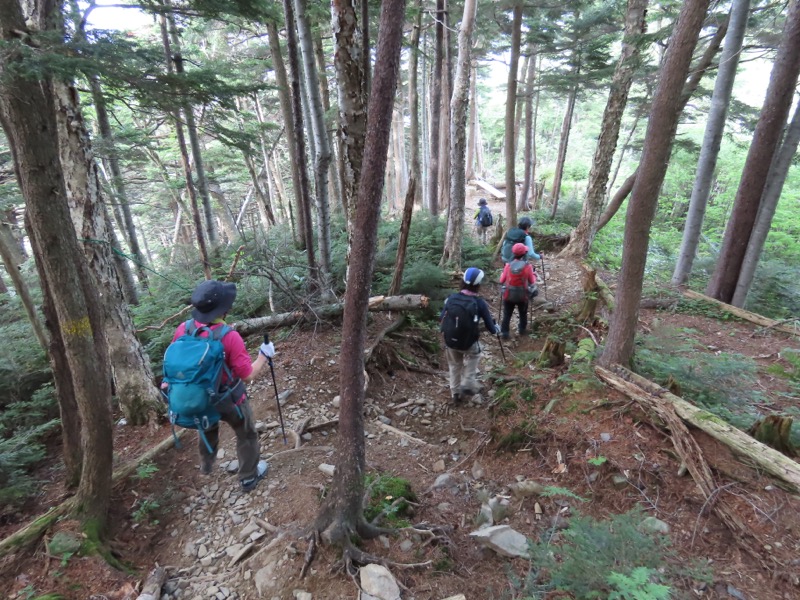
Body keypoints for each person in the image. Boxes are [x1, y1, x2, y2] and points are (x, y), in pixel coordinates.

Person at [169, 280, 272, 492]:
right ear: (224, 310)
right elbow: (248, 375)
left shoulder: (183, 329)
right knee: (247, 434)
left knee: (206, 426)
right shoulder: (229, 336)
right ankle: (248, 477)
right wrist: (264, 354)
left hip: (200, 399)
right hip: (229, 399)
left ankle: (206, 465)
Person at [440, 267, 501, 405]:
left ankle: (455, 393)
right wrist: (495, 328)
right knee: (475, 355)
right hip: (469, 343)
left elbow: (441, 317)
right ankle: (468, 381)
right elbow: (491, 328)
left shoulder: (451, 298)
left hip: (450, 342)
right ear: (478, 284)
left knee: (455, 365)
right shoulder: (479, 303)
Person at [499, 243, 538, 339]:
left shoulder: (508, 265)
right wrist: (534, 275)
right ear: (524, 253)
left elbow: (501, 280)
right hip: (522, 295)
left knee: (507, 314)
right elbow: (532, 281)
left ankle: (504, 333)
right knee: (523, 313)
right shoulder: (527, 266)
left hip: (509, 294)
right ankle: (522, 329)